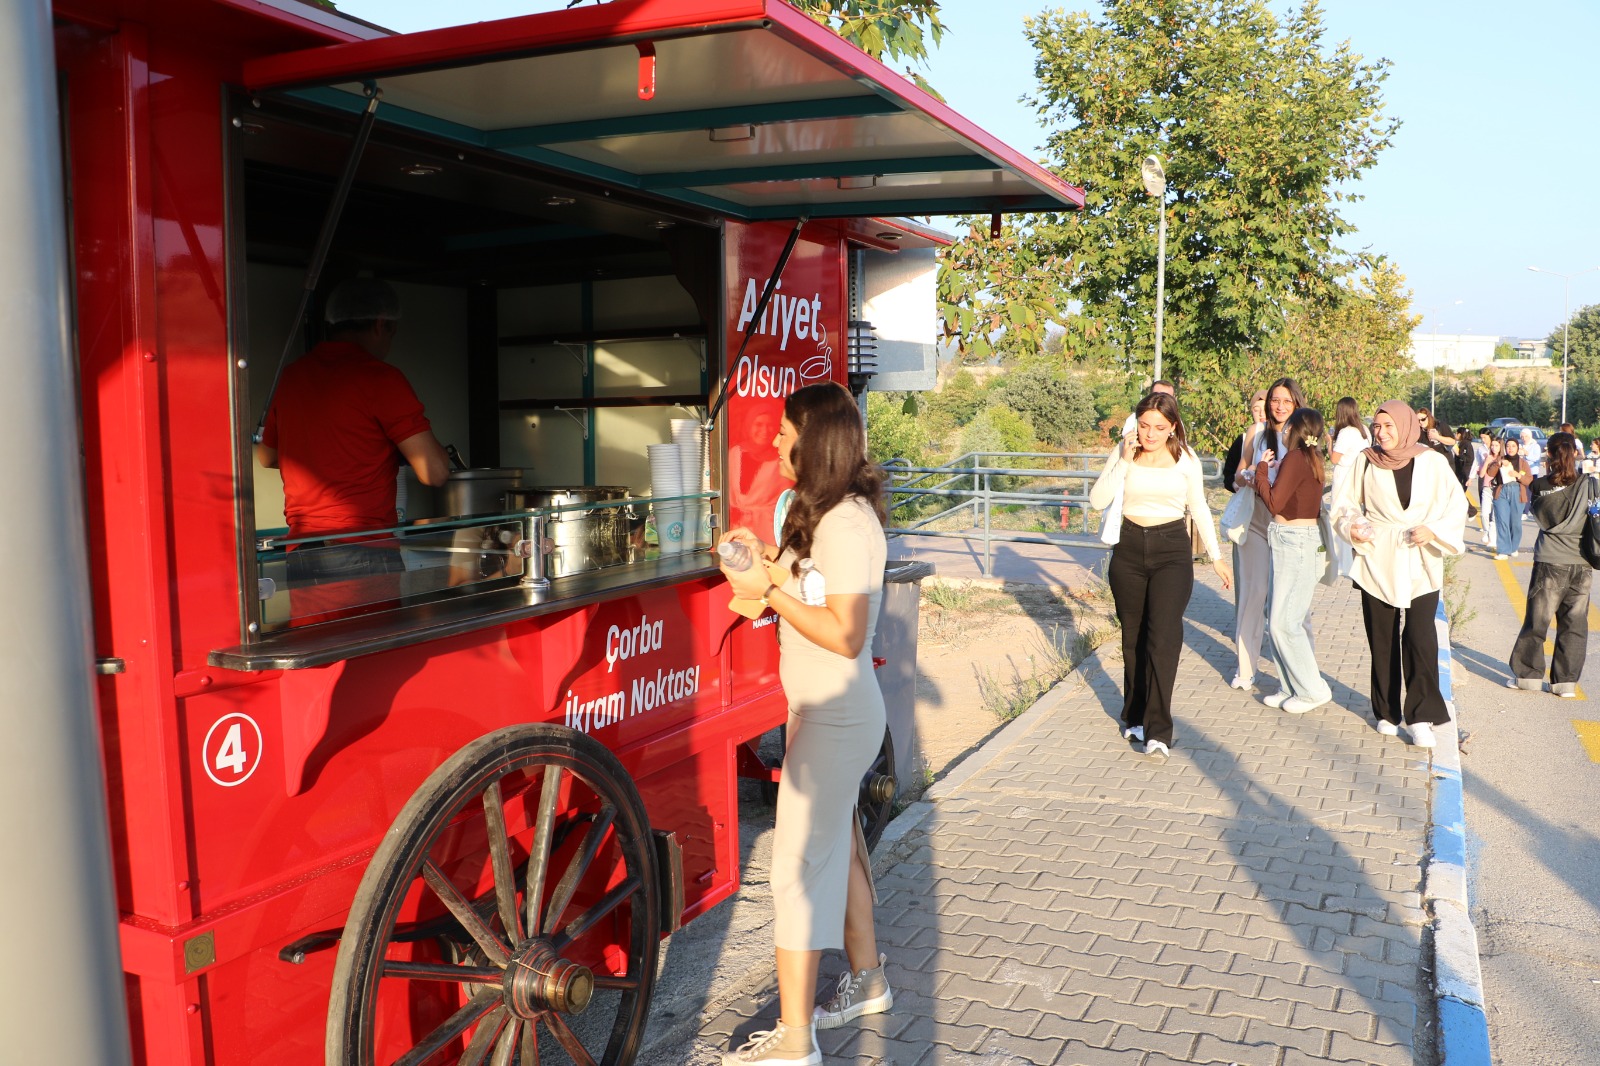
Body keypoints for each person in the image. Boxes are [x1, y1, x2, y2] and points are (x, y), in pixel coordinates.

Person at [717, 382, 890, 1066]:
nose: (772, 441)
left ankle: (795, 1043)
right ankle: (868, 980)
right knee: (839, 848)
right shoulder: (813, 514)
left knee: (794, 870)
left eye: (783, 430)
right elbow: (782, 591)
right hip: (817, 712)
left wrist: (773, 591)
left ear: (814, 439)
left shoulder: (848, 523)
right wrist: (747, 563)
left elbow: (845, 634)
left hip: (839, 716)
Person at [257, 278, 450, 586]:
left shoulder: (292, 377)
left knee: (315, 635)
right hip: (363, 548)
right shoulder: (380, 379)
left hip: (301, 550)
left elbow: (267, 457)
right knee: (373, 634)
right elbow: (435, 472)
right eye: (392, 333)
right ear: (380, 324)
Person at [1090, 392, 1232, 758]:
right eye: (1144, 425)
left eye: (1159, 427)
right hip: (1129, 548)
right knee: (1133, 639)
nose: (1150, 434)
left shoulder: (1185, 458)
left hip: (1172, 549)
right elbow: (1097, 500)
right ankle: (1134, 716)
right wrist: (1122, 461)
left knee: (1163, 639)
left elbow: (1198, 506)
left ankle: (1159, 730)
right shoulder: (1125, 452)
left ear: (1173, 428)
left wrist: (1216, 557)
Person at [1330, 401, 1467, 747]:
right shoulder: (1365, 460)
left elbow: (1456, 505)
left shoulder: (1432, 461)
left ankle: (1420, 715)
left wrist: (1434, 530)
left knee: (1420, 637)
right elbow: (1342, 505)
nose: (1382, 433)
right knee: (1382, 637)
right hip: (1378, 555)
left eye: (1389, 426)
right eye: (1377, 427)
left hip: (1421, 556)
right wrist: (1354, 526)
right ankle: (1386, 710)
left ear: (1408, 426)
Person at [1231, 377, 1311, 690]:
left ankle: (1298, 675)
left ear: (1297, 404)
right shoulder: (1255, 433)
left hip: (1290, 523)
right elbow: (1238, 471)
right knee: (1253, 594)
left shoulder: (1303, 436)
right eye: (1275, 400)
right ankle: (1245, 669)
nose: (1279, 406)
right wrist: (1250, 475)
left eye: (1286, 401)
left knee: (1292, 602)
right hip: (1257, 519)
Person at [1252, 407, 1334, 712]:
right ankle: (1291, 686)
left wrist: (1261, 469)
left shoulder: (1296, 459)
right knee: (1279, 619)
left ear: (1295, 431)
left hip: (1296, 543)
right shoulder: (1309, 458)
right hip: (1290, 541)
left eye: (1287, 427)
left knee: (1284, 623)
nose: (1283, 431)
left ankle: (1313, 690)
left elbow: (1274, 502)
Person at [1508, 432, 1597, 698]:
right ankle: (1565, 683)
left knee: (1538, 620)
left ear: (1549, 454)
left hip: (1549, 560)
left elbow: (1540, 515)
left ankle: (1528, 676)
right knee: (1575, 624)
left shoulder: (1539, 486)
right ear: (1575, 454)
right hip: (1582, 562)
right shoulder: (1590, 485)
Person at [1328, 397, 1370, 578]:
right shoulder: (1364, 431)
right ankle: (1352, 559)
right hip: (1359, 476)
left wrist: (1330, 442)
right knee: (1353, 515)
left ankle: (1342, 563)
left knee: (1339, 517)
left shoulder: (1346, 432)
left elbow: (1334, 458)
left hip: (1344, 477)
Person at [1485, 437, 1532, 560]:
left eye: (1513, 446)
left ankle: (1513, 547)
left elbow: (1529, 480)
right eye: (1508, 446)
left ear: (1518, 448)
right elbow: (1489, 473)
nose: (1510, 448)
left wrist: (1517, 475)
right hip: (1501, 492)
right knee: (1502, 521)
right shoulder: (1500, 459)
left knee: (1515, 523)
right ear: (1505, 448)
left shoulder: (1523, 463)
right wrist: (1498, 463)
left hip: (1517, 491)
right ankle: (1503, 550)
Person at [1222, 390, 1268, 494]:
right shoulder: (1242, 440)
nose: (1262, 414)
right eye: (1256, 410)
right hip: (1245, 498)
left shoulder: (1282, 438)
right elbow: (1228, 473)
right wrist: (1234, 484)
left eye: (1265, 409)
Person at [1479, 434, 1502, 549]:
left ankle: (1492, 540)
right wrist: (1487, 462)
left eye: (1496, 445)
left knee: (1494, 516)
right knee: (1484, 513)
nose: (1493, 448)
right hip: (1487, 488)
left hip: (1498, 489)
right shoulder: (1487, 457)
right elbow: (1482, 474)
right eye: (1492, 445)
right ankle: (1486, 532)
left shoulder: (1503, 459)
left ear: (1500, 446)